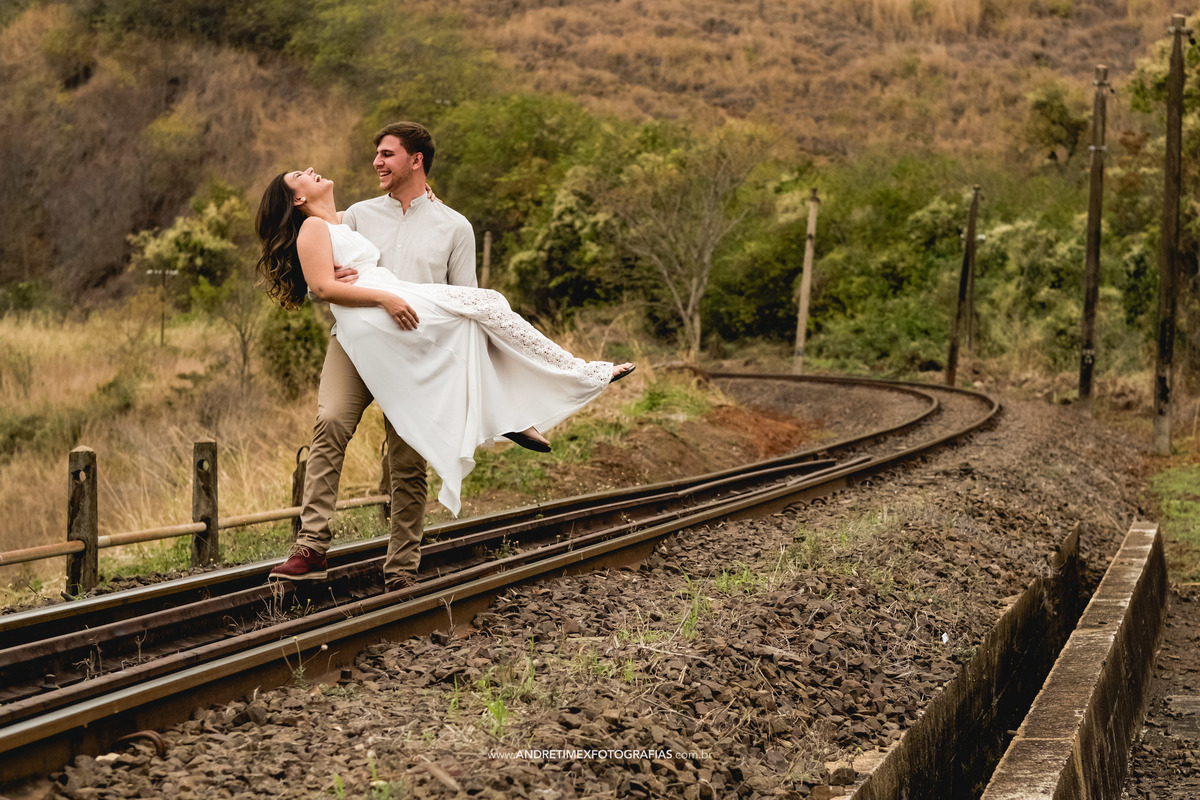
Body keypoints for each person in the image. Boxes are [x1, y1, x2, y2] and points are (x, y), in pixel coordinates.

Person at [257, 139, 634, 593]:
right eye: (375, 153)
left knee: (409, 450)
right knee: (331, 421)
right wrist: (338, 287)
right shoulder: (356, 214)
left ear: (415, 160)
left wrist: (350, 286)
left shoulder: (455, 226)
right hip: (360, 337)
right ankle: (310, 545)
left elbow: (459, 302)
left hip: (414, 335)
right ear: (298, 198)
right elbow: (318, 269)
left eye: (386, 154)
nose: (376, 161)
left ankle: (401, 570)